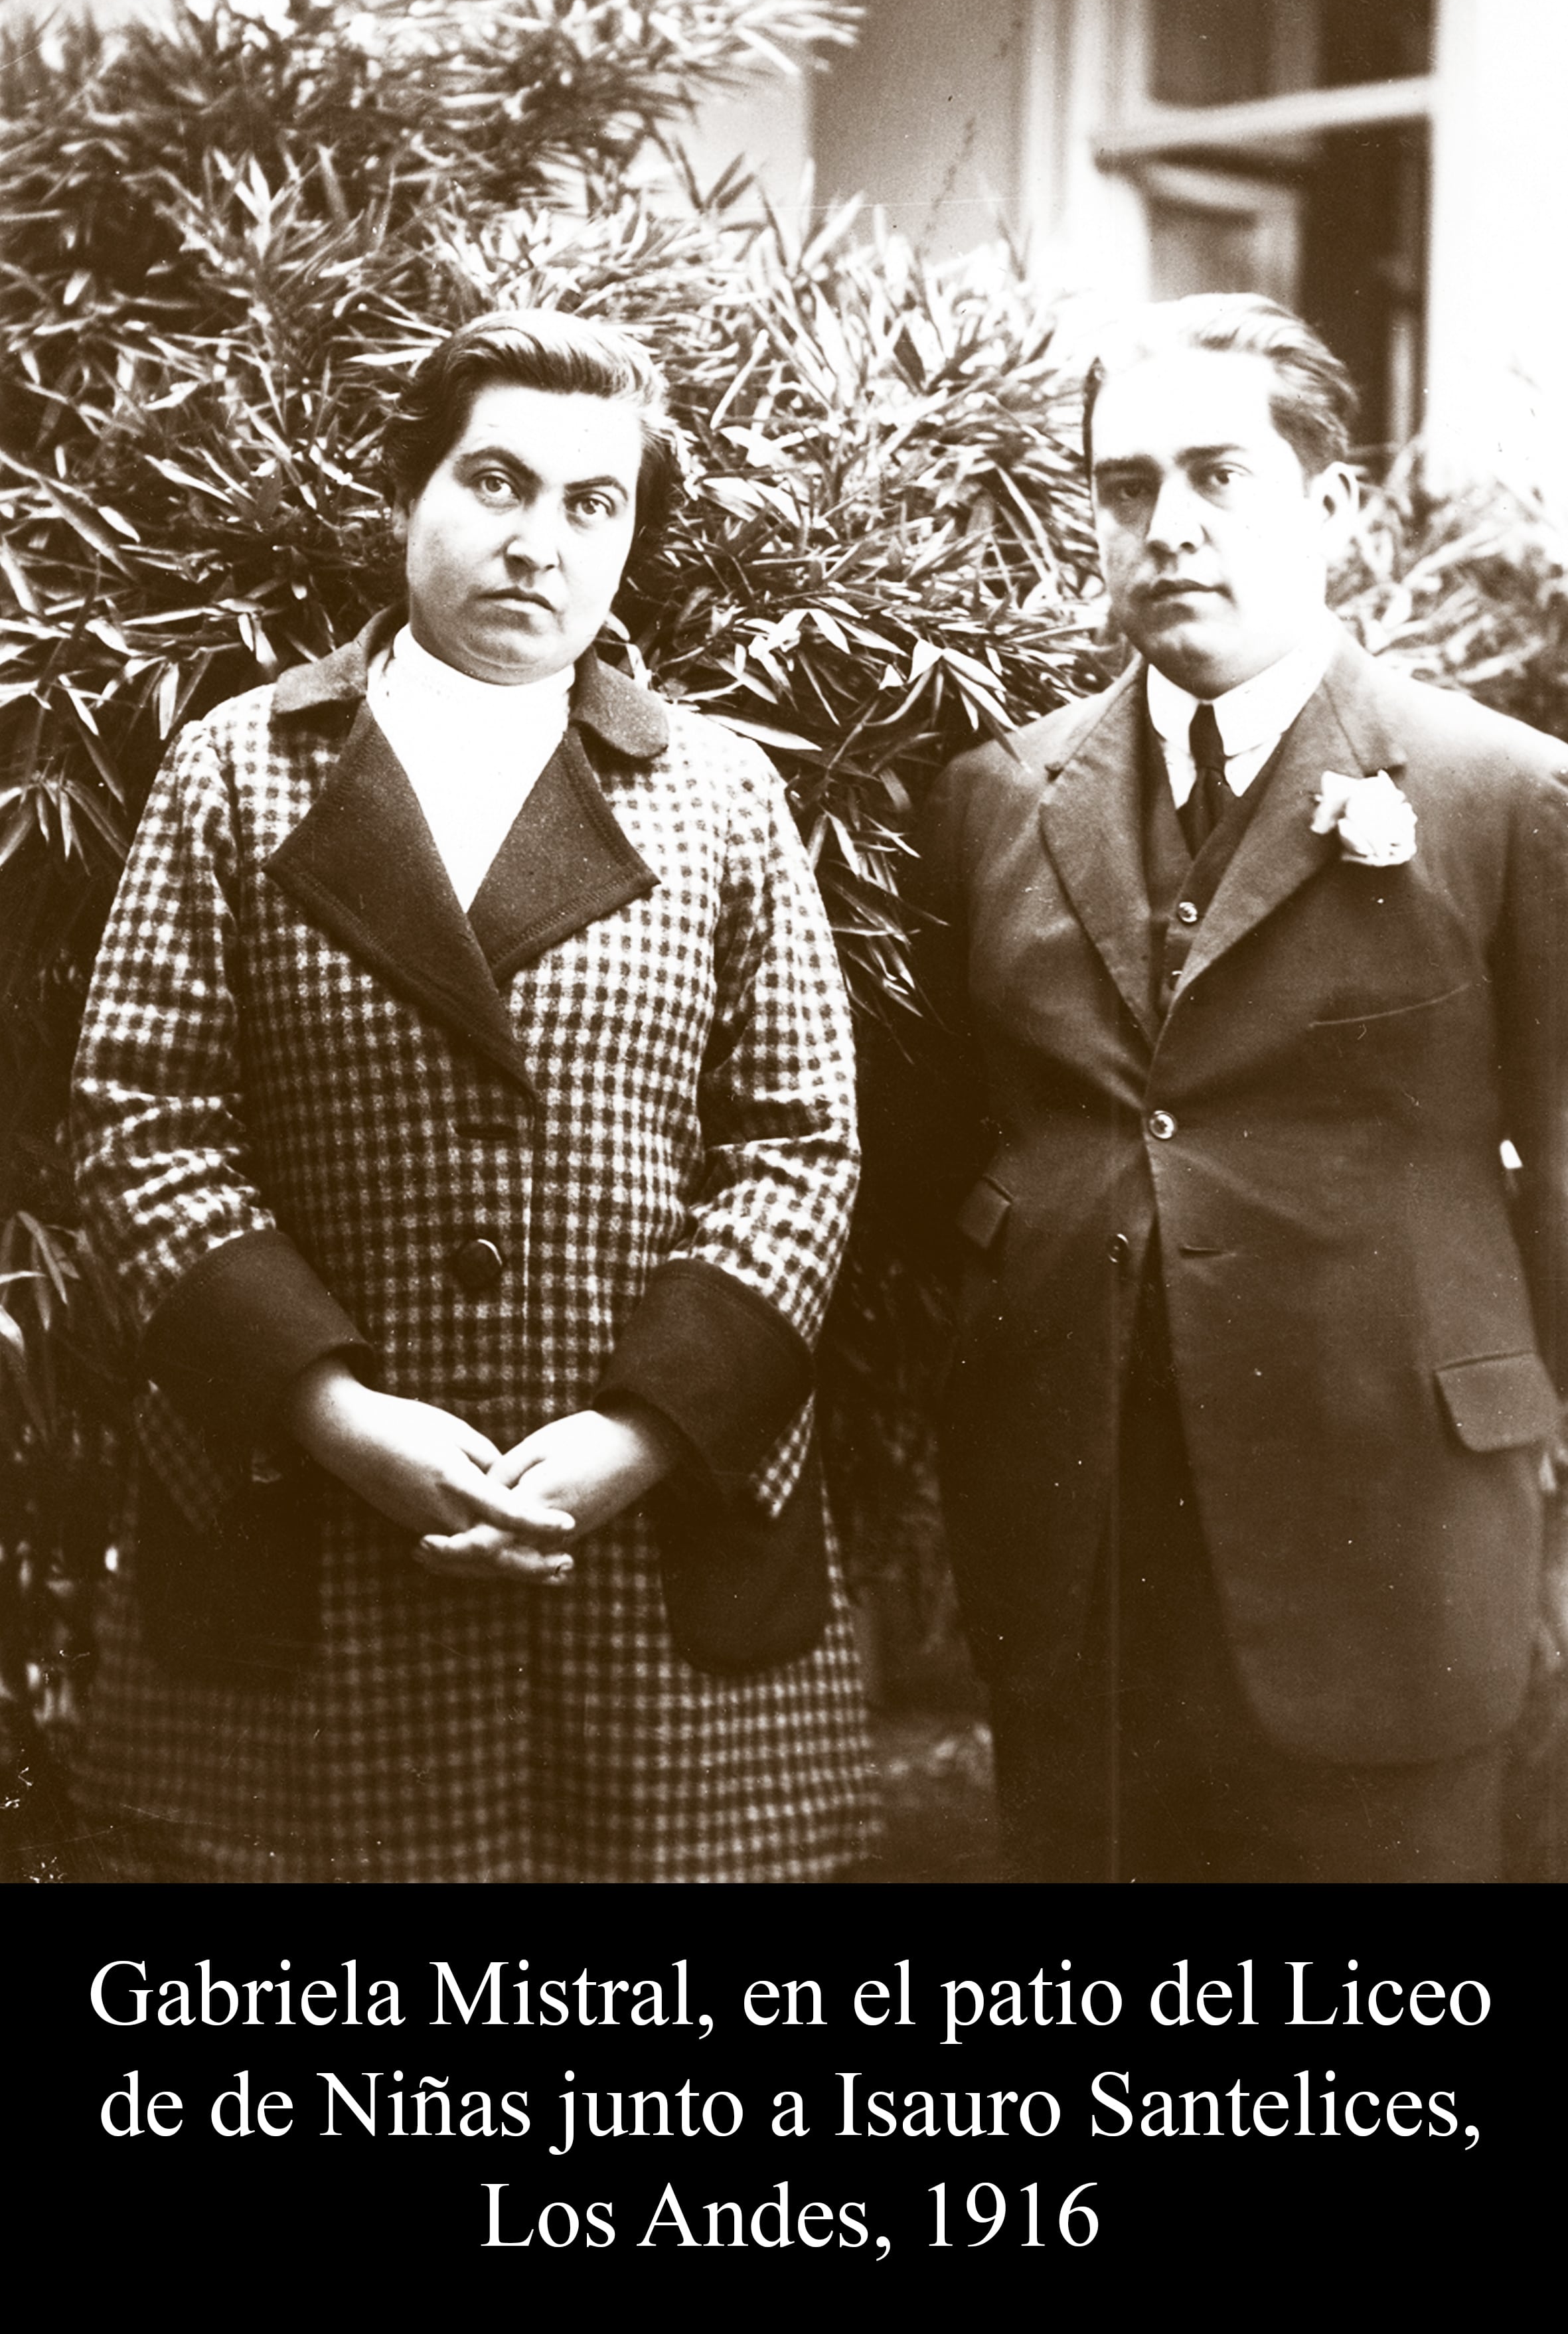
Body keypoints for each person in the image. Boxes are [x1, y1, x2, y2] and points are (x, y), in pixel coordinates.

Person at [70, 308, 875, 1883]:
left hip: (640, 1546)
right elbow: (141, 1121)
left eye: (592, 502)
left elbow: (799, 1142)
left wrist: (641, 1430)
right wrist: (333, 1414)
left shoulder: (720, 794)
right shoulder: (237, 771)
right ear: (407, 493)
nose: (537, 540)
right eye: (494, 480)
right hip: (318, 1521)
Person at [915, 291, 1568, 1883]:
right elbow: (937, 1162)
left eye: (1218, 476)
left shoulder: (1497, 794)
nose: (1167, 527)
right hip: (1077, 1556)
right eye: (1123, 487)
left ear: (1327, 507)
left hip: (1391, 1556)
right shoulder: (992, 800)